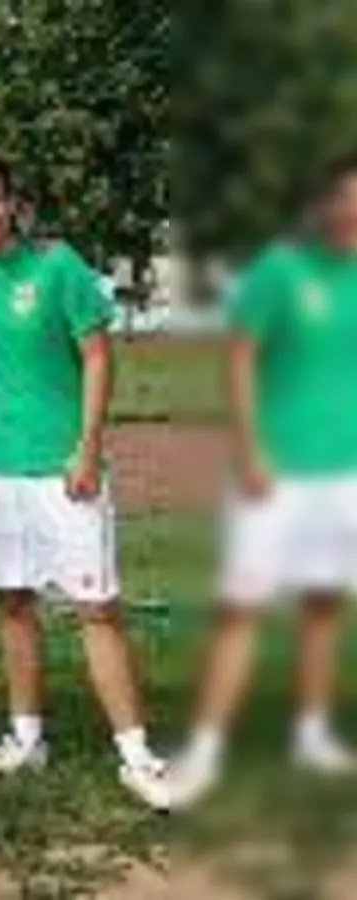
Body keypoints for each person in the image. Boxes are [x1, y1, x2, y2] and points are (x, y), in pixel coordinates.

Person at [0, 151, 169, 809]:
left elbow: (97, 356)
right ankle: (27, 737)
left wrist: (87, 447)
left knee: (97, 608)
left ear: (14, 204)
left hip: (64, 470)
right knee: (12, 604)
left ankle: (138, 754)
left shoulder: (57, 266)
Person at [166, 154, 357, 809]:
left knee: (323, 605)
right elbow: (242, 358)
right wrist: (250, 451)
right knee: (242, 610)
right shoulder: (281, 270)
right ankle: (205, 753)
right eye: (347, 197)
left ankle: (310, 732)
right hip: (278, 475)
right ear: (327, 203)